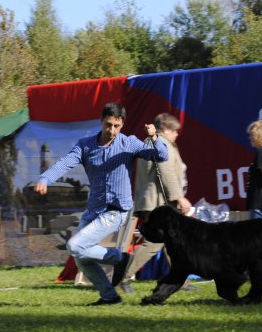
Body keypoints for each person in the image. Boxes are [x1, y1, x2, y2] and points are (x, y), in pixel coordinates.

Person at [34, 102, 168, 305]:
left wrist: (154, 138)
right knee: (81, 258)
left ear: (122, 124)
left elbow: (161, 156)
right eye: (108, 125)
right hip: (94, 209)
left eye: (117, 126)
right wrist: (45, 178)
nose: (112, 130)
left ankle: (120, 258)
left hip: (116, 210)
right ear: (101, 121)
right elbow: (65, 162)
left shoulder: (128, 143)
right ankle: (110, 296)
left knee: (74, 245)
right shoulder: (85, 145)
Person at [118, 113, 193, 294]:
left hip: (153, 202)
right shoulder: (162, 144)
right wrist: (179, 197)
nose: (176, 135)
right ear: (166, 129)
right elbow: (167, 173)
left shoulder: (150, 143)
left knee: (172, 244)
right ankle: (122, 277)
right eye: (175, 131)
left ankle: (181, 282)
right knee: (153, 245)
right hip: (158, 204)